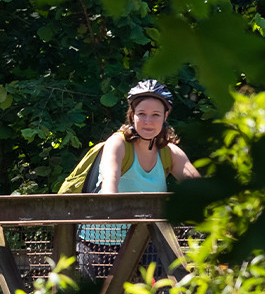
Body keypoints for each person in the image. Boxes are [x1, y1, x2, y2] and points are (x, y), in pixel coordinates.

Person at [78, 79, 200, 278]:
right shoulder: (117, 144)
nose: (148, 122)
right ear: (132, 115)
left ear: (165, 116)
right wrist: (113, 206)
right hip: (102, 242)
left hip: (147, 242)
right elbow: (110, 180)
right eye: (141, 114)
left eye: (155, 115)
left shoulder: (169, 152)